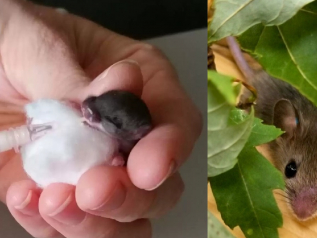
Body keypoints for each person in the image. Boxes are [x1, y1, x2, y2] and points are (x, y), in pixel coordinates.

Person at [0, 0, 203, 237]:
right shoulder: (86, 115)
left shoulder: (127, 142)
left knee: (99, 191)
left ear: (136, 133)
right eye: (94, 102)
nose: (88, 111)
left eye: (107, 119)